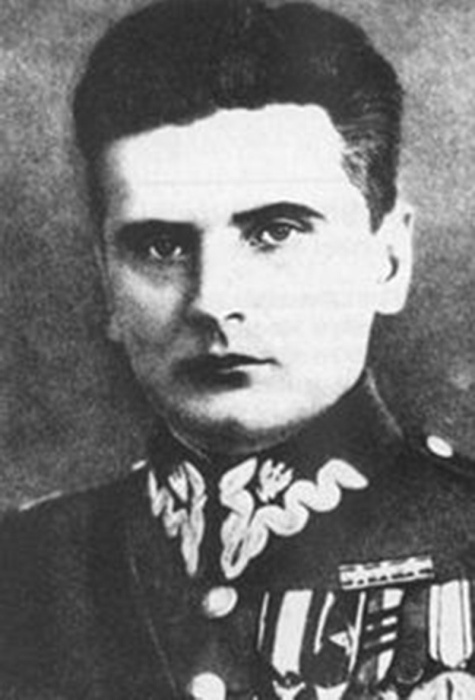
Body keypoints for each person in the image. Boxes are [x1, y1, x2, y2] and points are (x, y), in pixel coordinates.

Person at [2, 0, 475, 698]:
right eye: (159, 246)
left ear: (388, 260)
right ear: (106, 285)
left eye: (276, 231)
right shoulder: (24, 569)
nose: (212, 300)